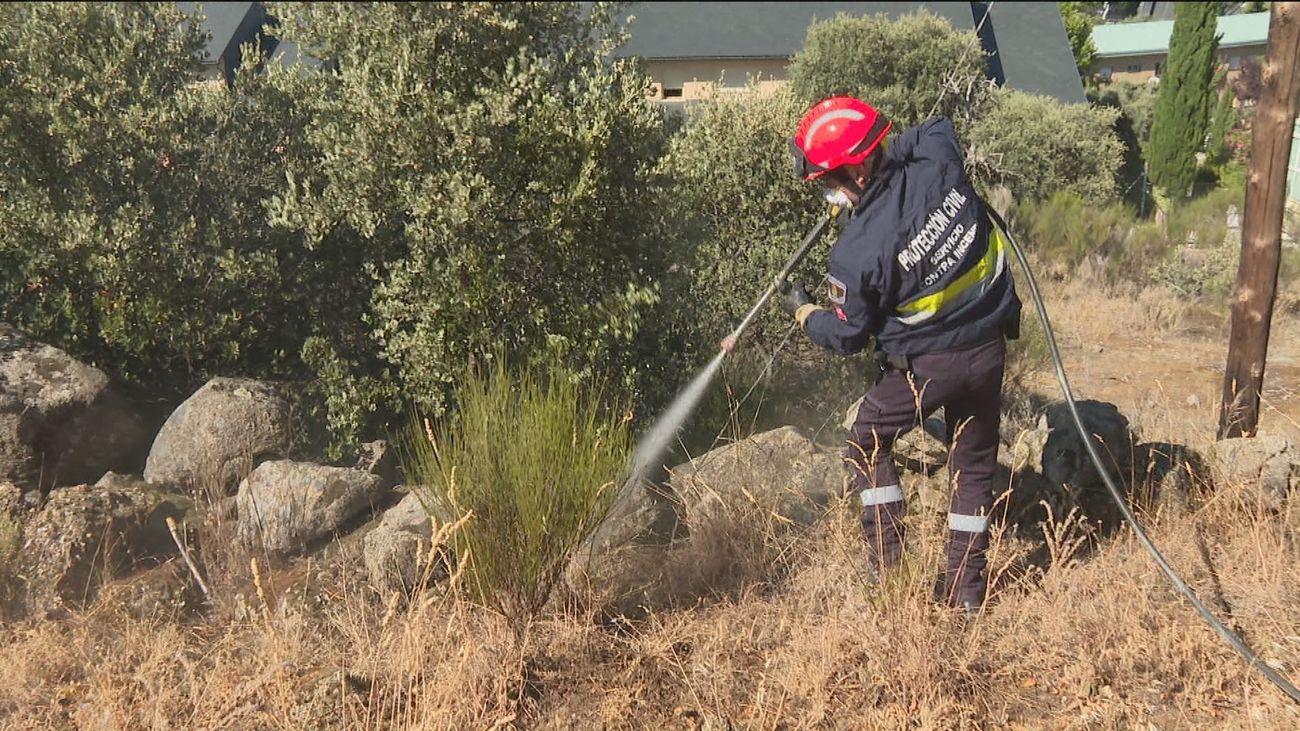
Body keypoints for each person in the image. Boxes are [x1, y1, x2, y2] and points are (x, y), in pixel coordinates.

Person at [782, 96, 1022, 612]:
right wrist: (885, 151)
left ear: (858, 170)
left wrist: (803, 312)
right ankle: (967, 597)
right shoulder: (939, 157)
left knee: (867, 441)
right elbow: (935, 124)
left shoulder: (856, 252)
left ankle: (887, 571)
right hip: (989, 347)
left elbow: (848, 337)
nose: (830, 191)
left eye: (830, 180)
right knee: (973, 467)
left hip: (931, 367)